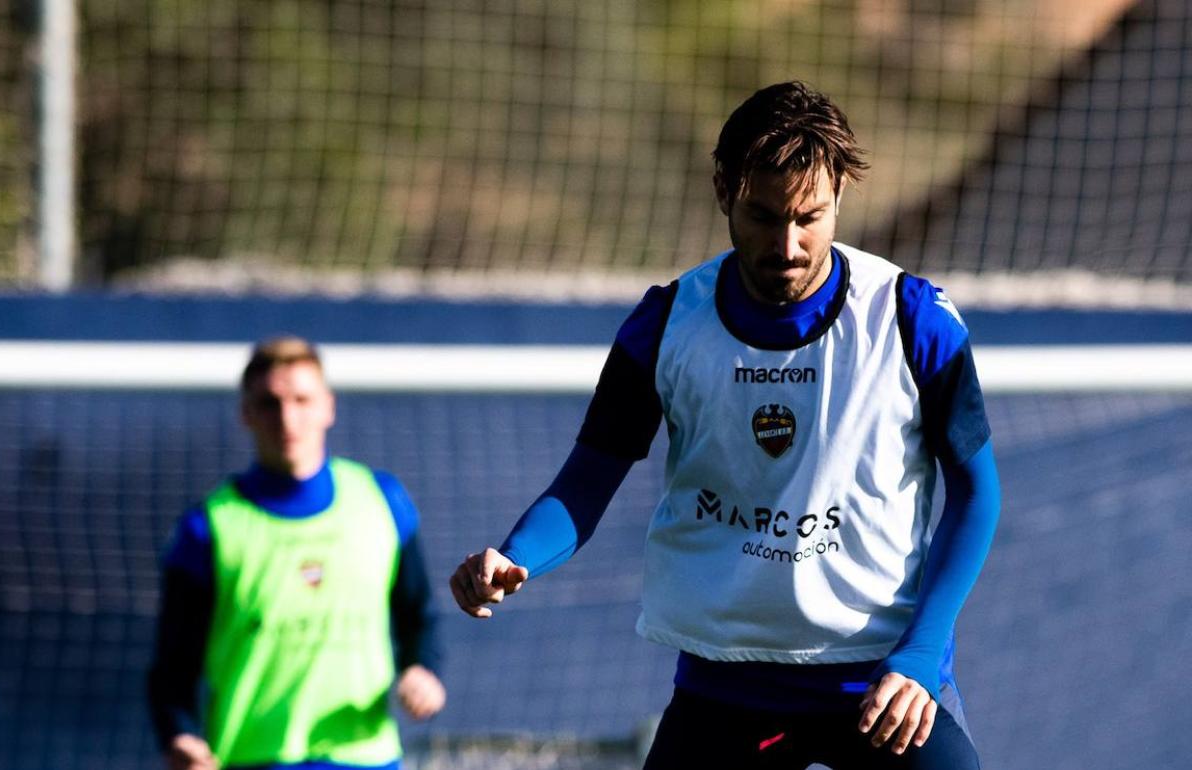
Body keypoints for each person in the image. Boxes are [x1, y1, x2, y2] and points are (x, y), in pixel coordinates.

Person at [449, 81, 1000, 769]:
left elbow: (978, 493)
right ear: (722, 192)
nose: (789, 244)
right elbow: (589, 478)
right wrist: (517, 553)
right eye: (764, 216)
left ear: (840, 199)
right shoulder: (667, 324)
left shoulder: (911, 318)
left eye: (811, 217)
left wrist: (920, 656)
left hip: (885, 684)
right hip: (726, 688)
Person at [148, 336, 445, 770]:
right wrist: (181, 736)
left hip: (366, 758)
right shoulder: (209, 527)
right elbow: (172, 668)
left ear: (328, 406)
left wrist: (422, 668)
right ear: (246, 414)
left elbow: (419, 614)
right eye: (270, 403)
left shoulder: (383, 502)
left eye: (302, 399)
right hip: (251, 758)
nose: (288, 418)